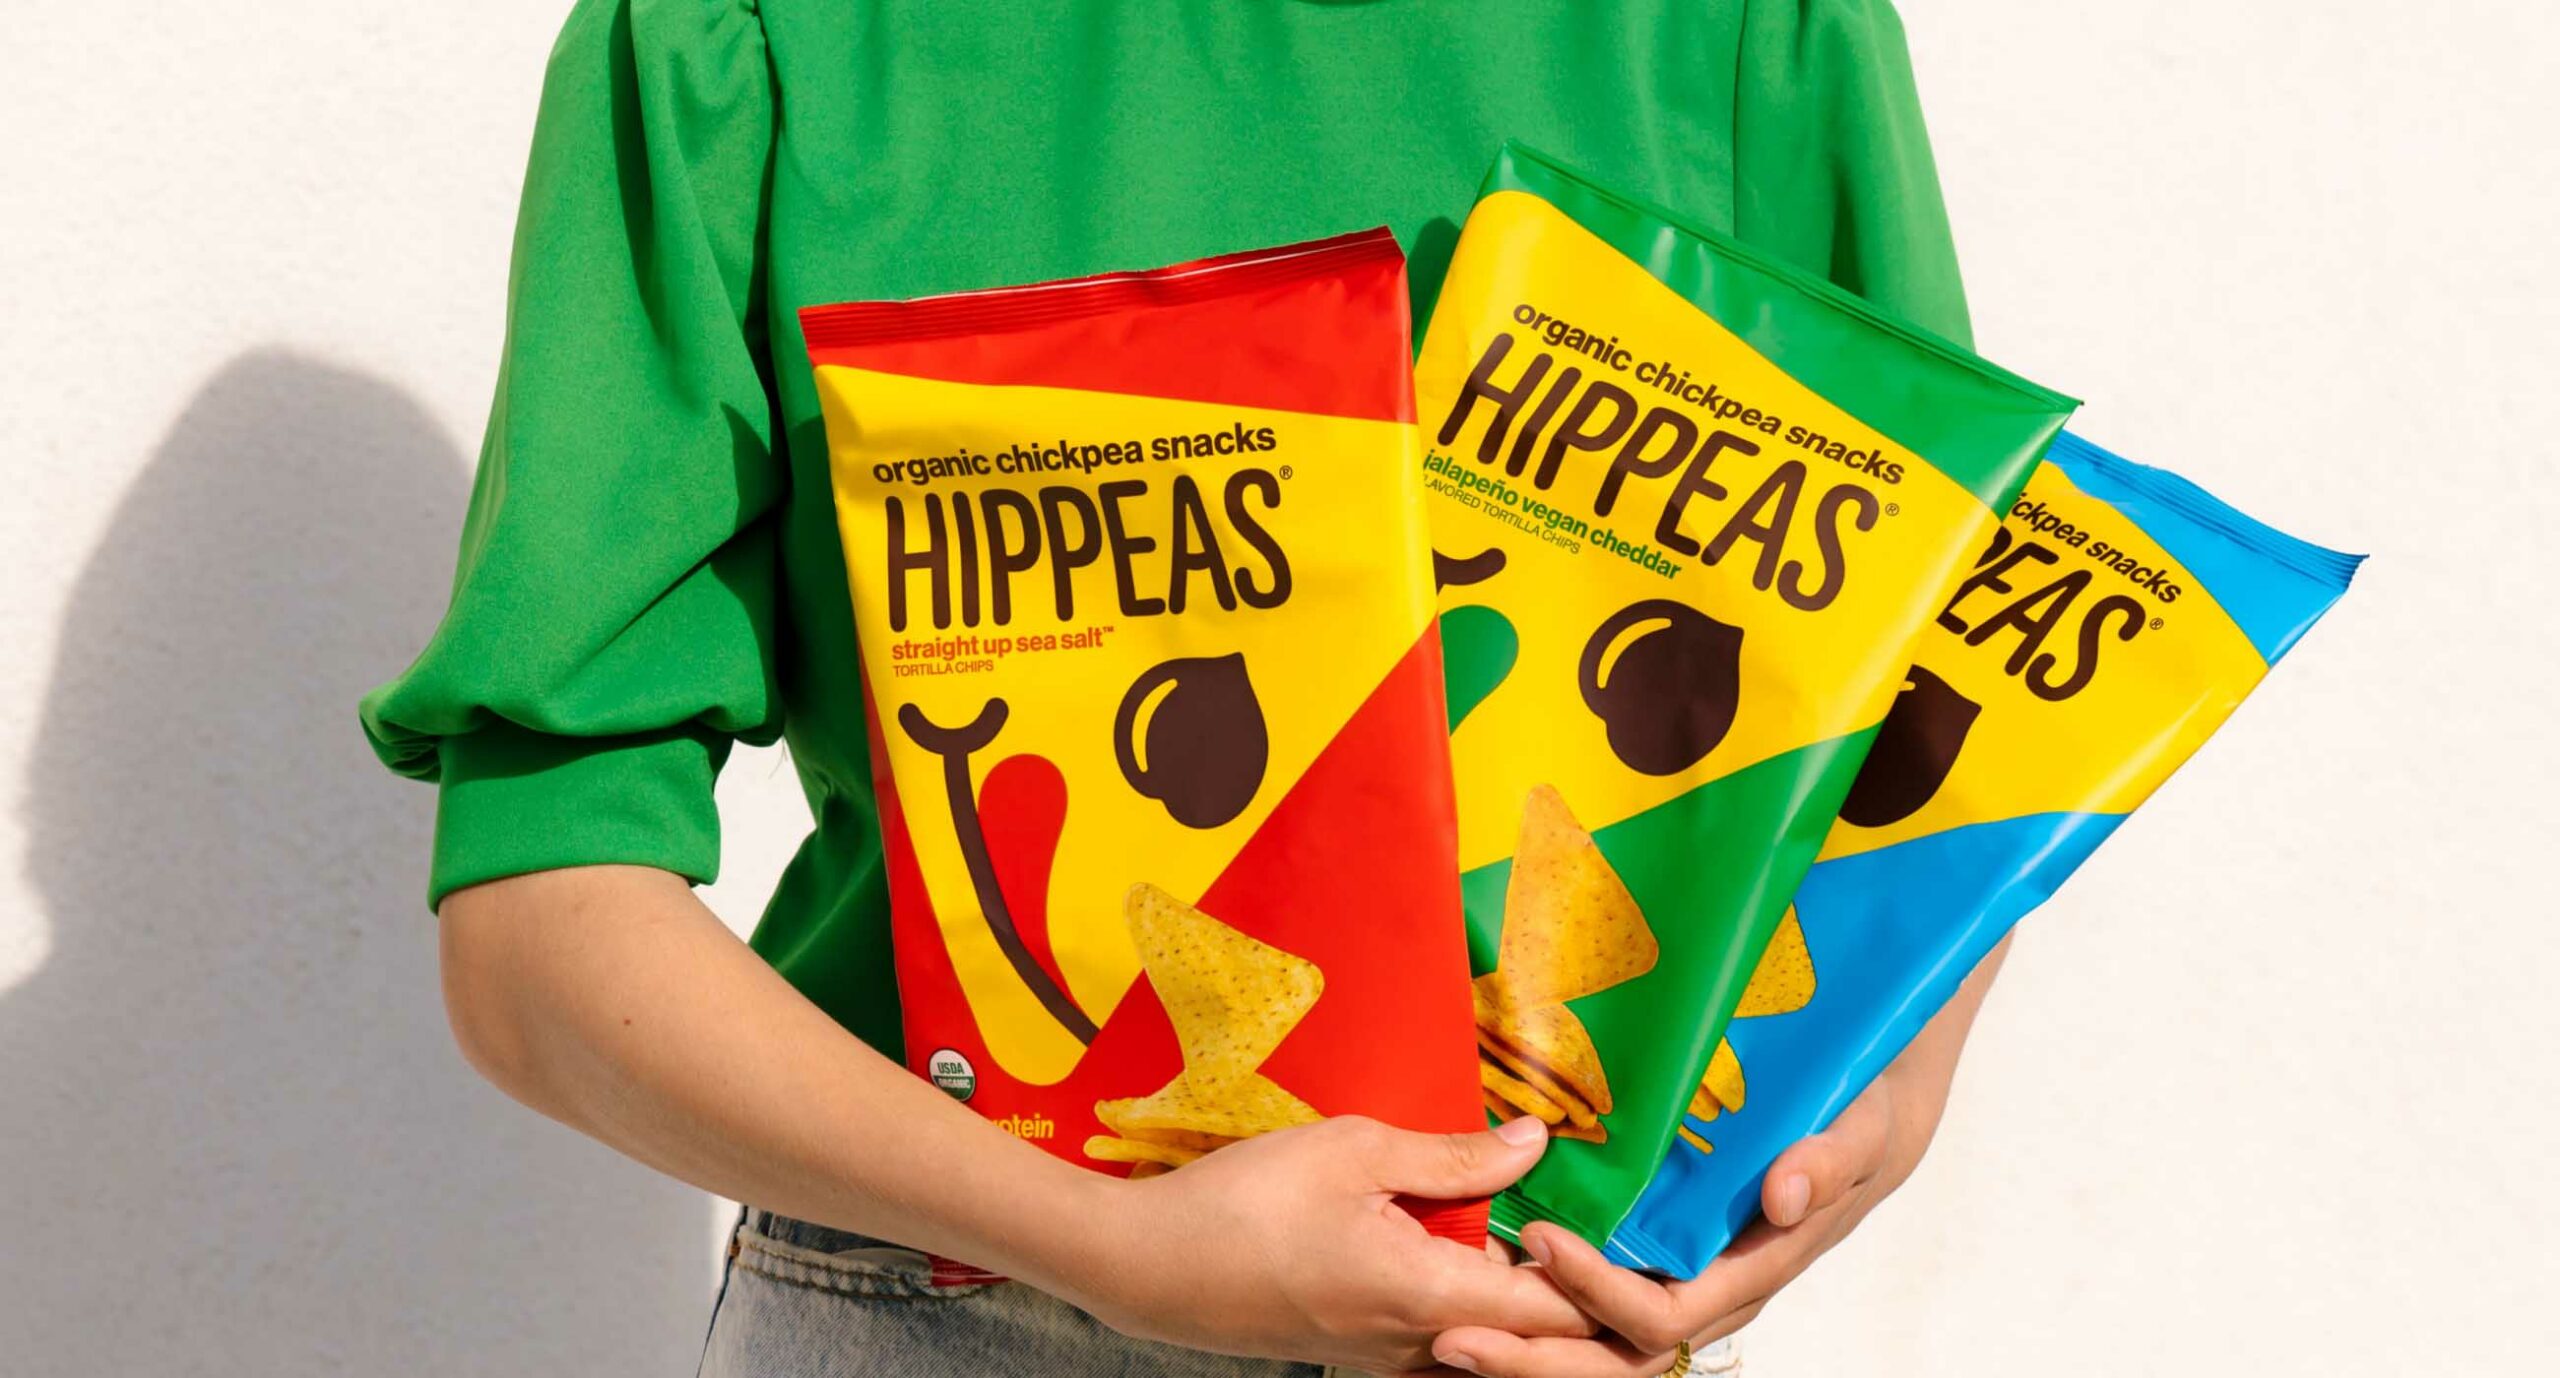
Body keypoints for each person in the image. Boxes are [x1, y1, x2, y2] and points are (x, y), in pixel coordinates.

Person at [361, 2, 2012, 1373]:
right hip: (958, 1303)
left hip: (1545, 1312)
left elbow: (1952, 723)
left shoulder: (1749, 28)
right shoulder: (741, 37)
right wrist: (1107, 1242)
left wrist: (1847, 1148)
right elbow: (534, 931)